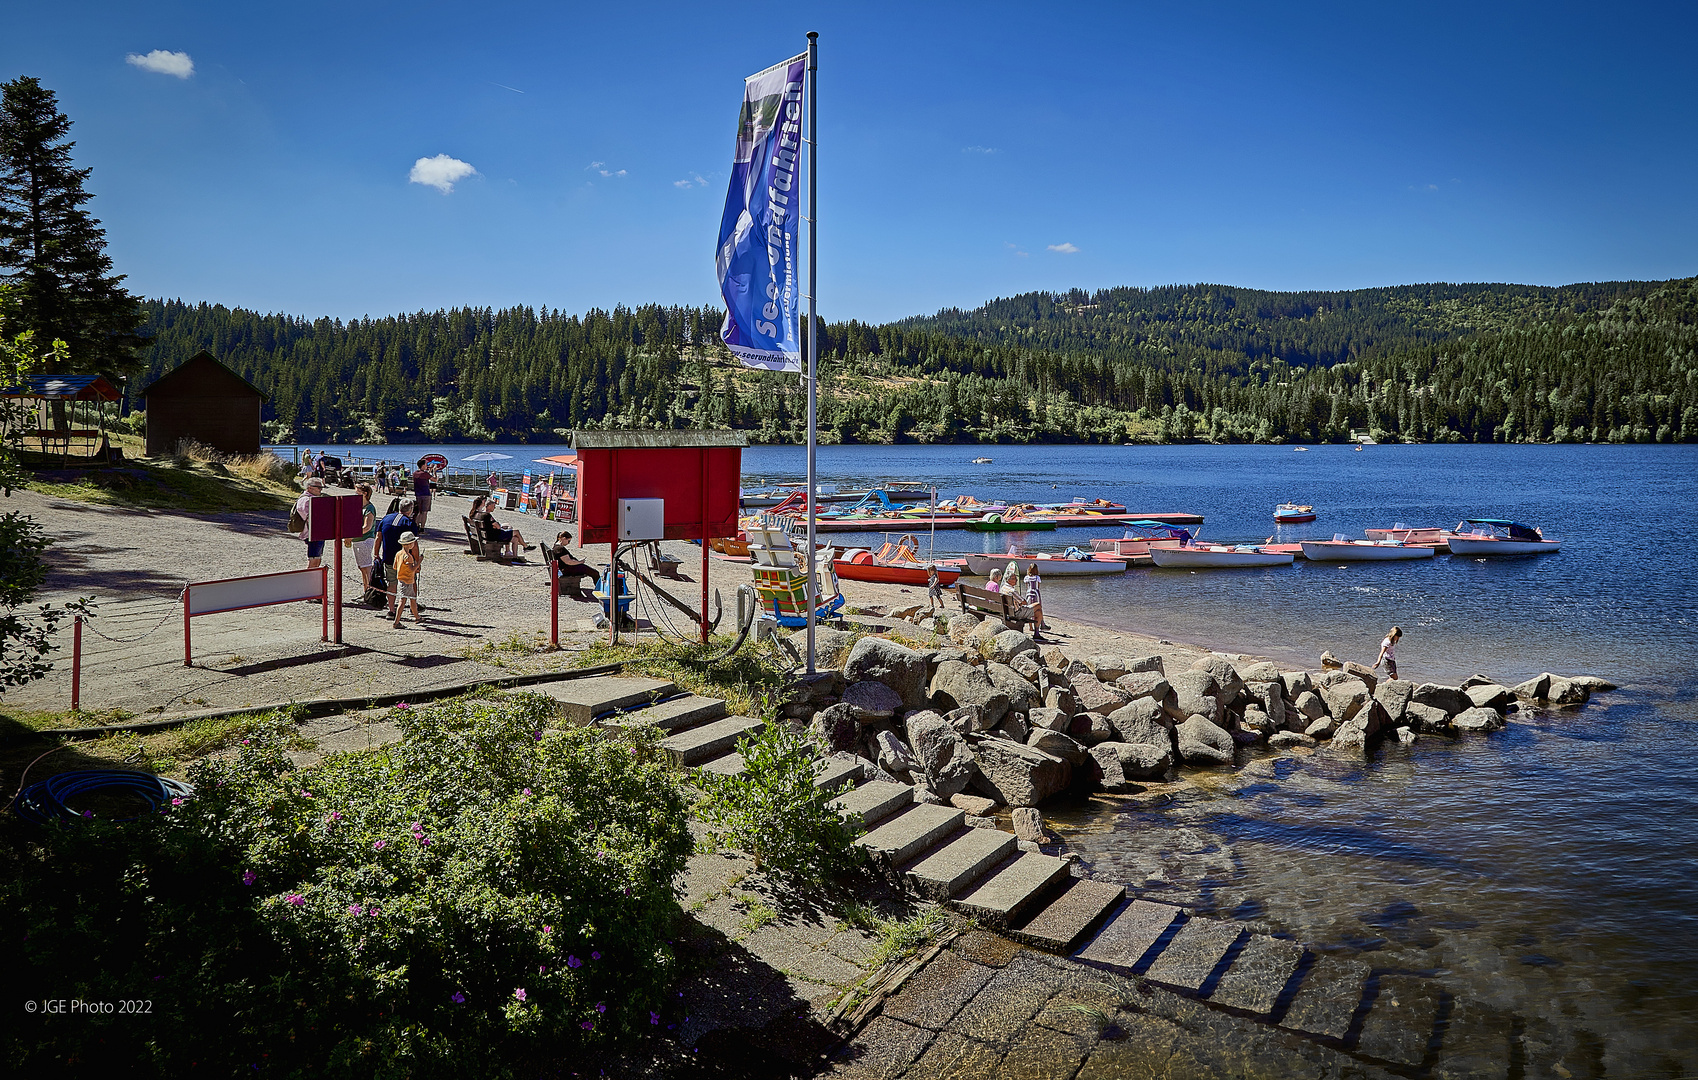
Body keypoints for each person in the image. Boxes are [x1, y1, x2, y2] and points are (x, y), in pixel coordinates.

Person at [375, 497, 417, 619]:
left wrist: (376, 554)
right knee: (409, 582)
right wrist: (416, 561)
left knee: (391, 583)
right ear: (411, 510)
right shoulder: (409, 523)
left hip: (388, 558)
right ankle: (413, 608)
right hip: (405, 559)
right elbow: (414, 544)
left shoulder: (386, 519)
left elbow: (378, 538)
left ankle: (391, 610)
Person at [470, 495, 534, 558]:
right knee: (516, 532)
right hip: (494, 536)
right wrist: (496, 526)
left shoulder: (476, 514)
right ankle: (525, 547)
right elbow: (497, 526)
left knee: (515, 539)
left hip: (486, 535)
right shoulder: (486, 515)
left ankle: (515, 556)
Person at [548, 530, 602, 599]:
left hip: (567, 568)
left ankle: (599, 588)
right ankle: (600, 589)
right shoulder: (560, 549)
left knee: (592, 571)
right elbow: (568, 562)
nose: (568, 543)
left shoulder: (556, 546)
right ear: (563, 538)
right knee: (595, 573)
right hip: (568, 569)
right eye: (568, 541)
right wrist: (580, 562)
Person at [347, 482, 378, 590]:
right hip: (358, 540)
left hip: (365, 540)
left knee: (366, 567)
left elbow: (366, 527)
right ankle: (366, 590)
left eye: (358, 492)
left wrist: (351, 535)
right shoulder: (359, 506)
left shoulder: (369, 508)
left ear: (365, 493)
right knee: (362, 567)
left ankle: (370, 591)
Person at [391, 531, 423, 627]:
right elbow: (412, 569)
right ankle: (396, 622)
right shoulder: (408, 557)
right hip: (407, 581)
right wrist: (419, 562)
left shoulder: (398, 554)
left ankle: (417, 617)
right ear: (409, 544)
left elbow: (395, 567)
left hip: (401, 580)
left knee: (412, 599)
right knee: (403, 601)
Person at [295, 476, 325, 569]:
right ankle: (309, 580)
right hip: (312, 534)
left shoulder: (313, 499)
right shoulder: (306, 500)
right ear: (310, 488)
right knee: (313, 560)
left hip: (318, 533)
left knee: (317, 559)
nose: (320, 490)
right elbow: (308, 517)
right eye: (318, 487)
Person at [410, 458, 434, 531]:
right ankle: (422, 528)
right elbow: (434, 479)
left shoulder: (415, 473)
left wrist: (428, 470)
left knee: (419, 512)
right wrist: (434, 471)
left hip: (418, 494)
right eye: (426, 464)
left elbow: (425, 476)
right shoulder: (425, 474)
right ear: (423, 465)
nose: (427, 466)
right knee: (424, 512)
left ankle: (416, 526)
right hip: (426, 494)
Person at [1025, 561, 1045, 639]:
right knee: (1037, 609)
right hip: (1036, 593)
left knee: (1029, 608)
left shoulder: (1026, 578)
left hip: (1029, 593)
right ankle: (1040, 624)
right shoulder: (1037, 578)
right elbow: (1038, 586)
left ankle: (1030, 627)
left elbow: (1027, 586)